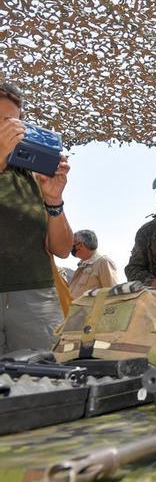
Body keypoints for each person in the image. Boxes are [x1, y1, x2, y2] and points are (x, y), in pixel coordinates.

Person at [0, 81, 73, 353]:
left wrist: (54, 201)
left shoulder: (29, 175)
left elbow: (63, 249)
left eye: (11, 121)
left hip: (36, 296)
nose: (8, 129)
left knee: (46, 384)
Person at [69, 230, 118, 299]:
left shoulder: (103, 262)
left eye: (73, 244)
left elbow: (112, 294)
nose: (71, 247)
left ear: (80, 245)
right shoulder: (82, 265)